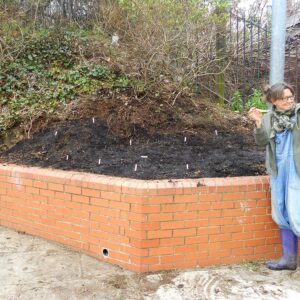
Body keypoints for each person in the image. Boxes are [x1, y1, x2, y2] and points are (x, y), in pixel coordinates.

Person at [248, 82, 300, 271]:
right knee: (281, 212)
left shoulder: (298, 113)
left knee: (297, 211)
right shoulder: (269, 118)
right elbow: (262, 142)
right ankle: (289, 259)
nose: (289, 101)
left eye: (291, 96)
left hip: (297, 172)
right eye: (284, 98)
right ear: (273, 101)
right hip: (278, 172)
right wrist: (258, 122)